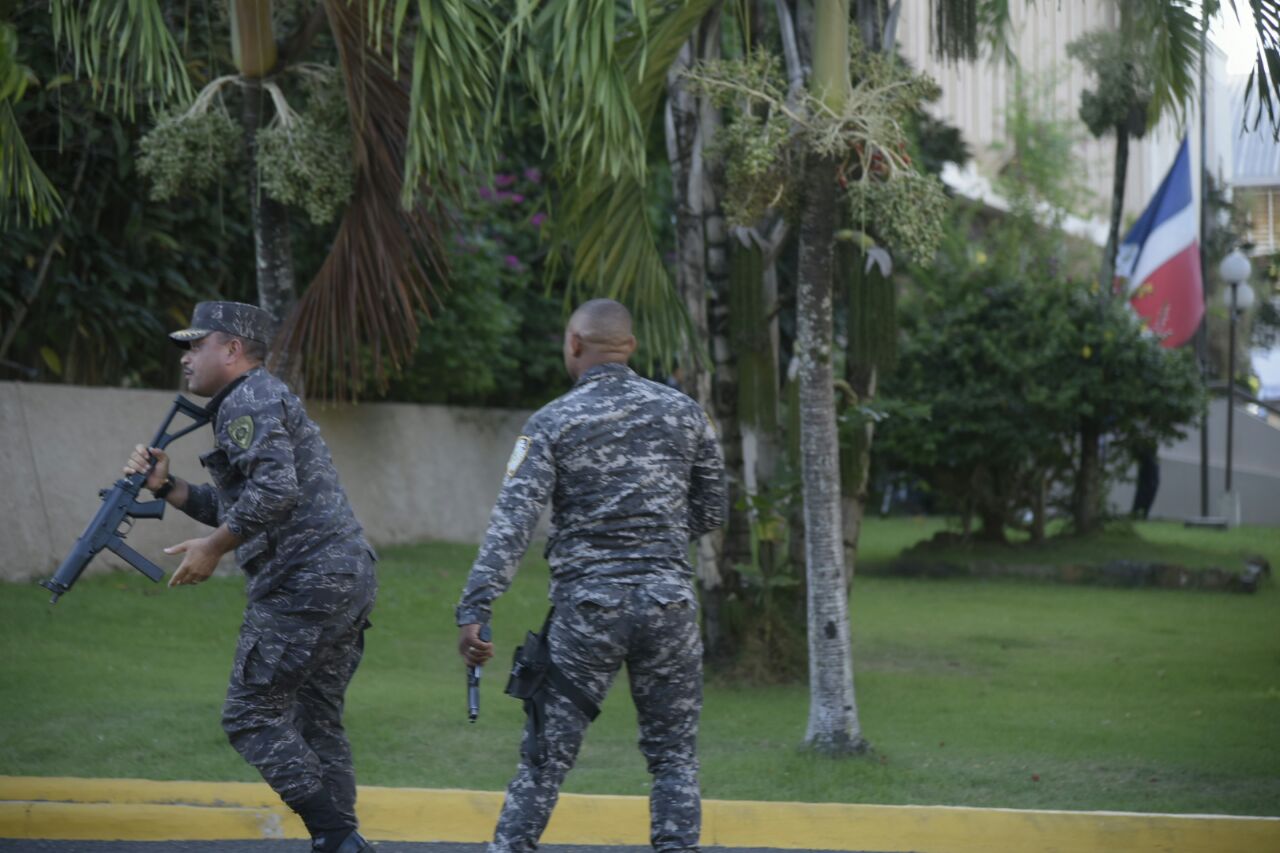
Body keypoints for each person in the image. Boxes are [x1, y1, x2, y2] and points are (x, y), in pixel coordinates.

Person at [456, 298, 727, 853]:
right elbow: (713, 509)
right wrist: (659, 539)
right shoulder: (685, 413)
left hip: (588, 612)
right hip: (670, 606)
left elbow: (513, 521)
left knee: (545, 756)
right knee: (673, 756)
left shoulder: (551, 422)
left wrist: (476, 608)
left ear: (575, 343)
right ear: (628, 345)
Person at [123, 301, 376, 853]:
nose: (187, 358)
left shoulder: (248, 398)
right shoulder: (257, 398)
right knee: (317, 722)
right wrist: (168, 487)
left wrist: (214, 550)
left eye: (197, 345)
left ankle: (335, 836)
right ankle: (340, 843)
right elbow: (239, 502)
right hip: (343, 575)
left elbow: (275, 493)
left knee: (248, 716)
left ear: (232, 348)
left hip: (303, 583)